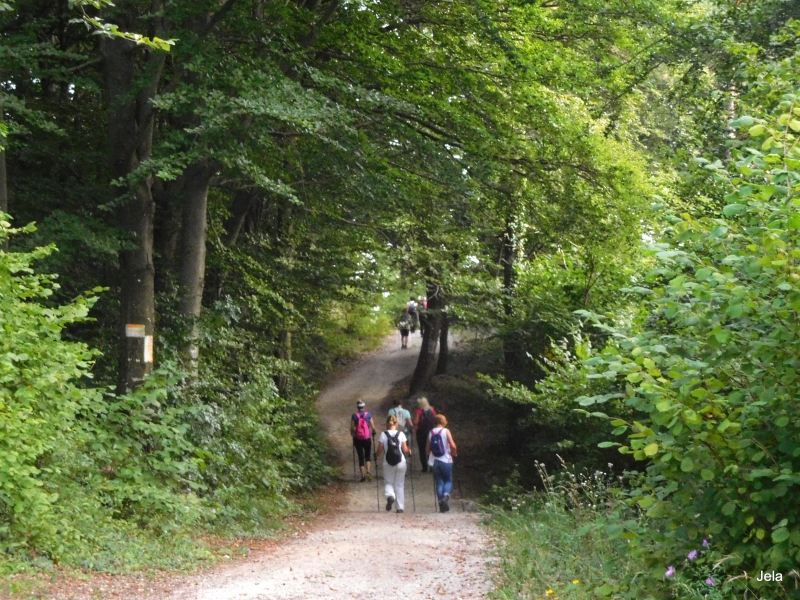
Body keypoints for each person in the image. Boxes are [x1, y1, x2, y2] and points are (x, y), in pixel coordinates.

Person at [376, 415, 412, 513]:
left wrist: (375, 455)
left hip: (388, 462)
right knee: (399, 484)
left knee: (389, 482)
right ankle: (400, 507)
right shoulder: (401, 434)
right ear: (396, 424)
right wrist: (409, 451)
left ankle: (390, 496)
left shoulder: (383, 434)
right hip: (401, 462)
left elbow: (380, 450)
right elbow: (405, 449)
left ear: (387, 424)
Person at [427, 414, 457, 512]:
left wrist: (430, 455)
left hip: (435, 461)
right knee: (448, 480)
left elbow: (427, 449)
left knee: (439, 482)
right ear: (444, 422)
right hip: (446, 460)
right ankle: (445, 496)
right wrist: (454, 453)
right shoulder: (446, 431)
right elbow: (453, 445)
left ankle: (441, 505)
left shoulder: (431, 432)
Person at [350, 400, 376, 482]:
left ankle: (363, 476)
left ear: (357, 407)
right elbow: (373, 427)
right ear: (364, 407)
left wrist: (353, 434)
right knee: (367, 455)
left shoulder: (354, 416)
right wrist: (373, 433)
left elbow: (352, 428)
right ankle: (368, 472)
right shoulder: (368, 415)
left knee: (360, 456)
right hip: (367, 438)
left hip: (358, 439)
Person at [412, 397, 437, 472]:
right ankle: (431, 467)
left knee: (422, 449)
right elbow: (435, 419)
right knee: (431, 449)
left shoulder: (419, 411)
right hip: (431, 432)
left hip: (421, 432)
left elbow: (415, 422)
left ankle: (424, 468)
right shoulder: (432, 410)